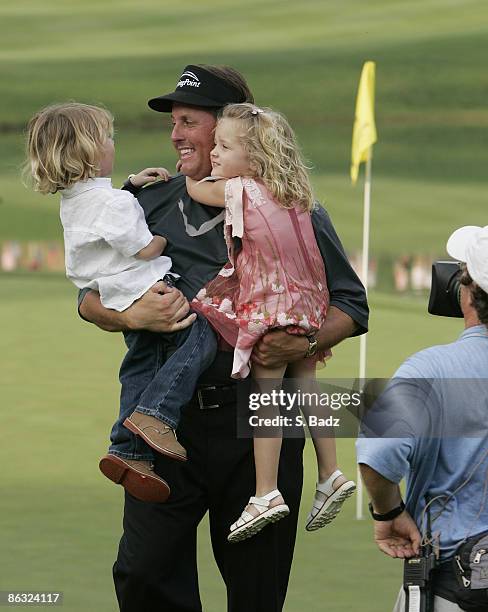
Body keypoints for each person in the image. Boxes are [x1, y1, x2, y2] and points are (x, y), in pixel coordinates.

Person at [79, 64, 369, 612]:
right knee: (142, 575)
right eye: (175, 123)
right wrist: (132, 317)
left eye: (189, 122)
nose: (176, 135)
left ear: (232, 129)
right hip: (163, 423)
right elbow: (87, 299)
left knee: (257, 591)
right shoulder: (144, 203)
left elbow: (350, 305)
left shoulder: (295, 205)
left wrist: (302, 345)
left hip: (259, 420)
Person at [25, 102, 218, 504]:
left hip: (114, 288)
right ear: (91, 150)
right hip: (145, 286)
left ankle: (127, 450)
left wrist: (130, 185)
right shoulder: (120, 203)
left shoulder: (79, 199)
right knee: (199, 335)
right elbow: (143, 248)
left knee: (140, 365)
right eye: (107, 137)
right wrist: (162, 242)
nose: (113, 143)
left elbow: (104, 212)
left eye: (187, 123)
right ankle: (156, 415)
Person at [186, 102, 355, 542]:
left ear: (254, 158)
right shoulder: (295, 193)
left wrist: (189, 173)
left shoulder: (238, 190)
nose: (216, 154)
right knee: (306, 383)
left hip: (270, 307)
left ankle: (265, 491)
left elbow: (195, 190)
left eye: (225, 147)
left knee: (266, 397)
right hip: (308, 305)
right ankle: (331, 472)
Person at [356, 226, 488, 611]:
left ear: (467, 294)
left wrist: (389, 512)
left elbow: (379, 454)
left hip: (457, 586)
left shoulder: (432, 369)